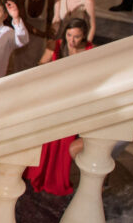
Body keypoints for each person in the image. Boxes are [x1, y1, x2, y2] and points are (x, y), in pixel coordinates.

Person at [25, 18, 94, 195]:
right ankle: (37, 174)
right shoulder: (55, 45)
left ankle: (55, 179)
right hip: (53, 98)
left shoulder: (90, 50)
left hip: (74, 102)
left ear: (84, 36)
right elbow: (40, 67)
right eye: (69, 35)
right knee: (45, 138)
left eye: (77, 37)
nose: (72, 40)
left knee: (63, 142)